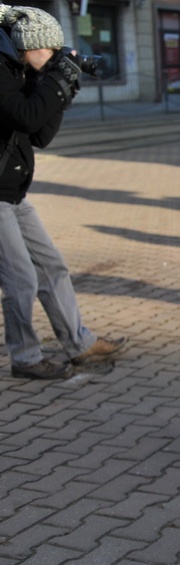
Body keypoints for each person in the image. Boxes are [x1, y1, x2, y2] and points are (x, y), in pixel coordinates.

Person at [0, 5, 127, 380]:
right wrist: (55, 81)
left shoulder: (21, 71)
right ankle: (25, 358)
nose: (57, 58)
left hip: (13, 192)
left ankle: (79, 343)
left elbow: (40, 133)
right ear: (30, 44)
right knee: (21, 278)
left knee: (51, 266)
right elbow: (24, 115)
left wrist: (62, 87)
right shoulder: (1, 72)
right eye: (52, 51)